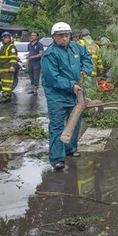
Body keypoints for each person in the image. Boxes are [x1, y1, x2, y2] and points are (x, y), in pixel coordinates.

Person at [40, 22, 93, 171]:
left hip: (75, 93)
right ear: (54, 37)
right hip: (57, 95)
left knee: (75, 121)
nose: (64, 38)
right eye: (61, 36)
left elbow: (87, 57)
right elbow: (53, 78)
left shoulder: (75, 47)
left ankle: (70, 148)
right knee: (57, 125)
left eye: (67, 35)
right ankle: (57, 158)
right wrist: (71, 85)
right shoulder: (50, 54)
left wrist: (85, 69)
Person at [0, 32, 18, 103]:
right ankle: (7, 97)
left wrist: (12, 66)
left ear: (10, 39)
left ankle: (6, 97)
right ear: (2, 39)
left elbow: (13, 57)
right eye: (5, 38)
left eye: (8, 38)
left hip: (8, 68)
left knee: (7, 84)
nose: (6, 39)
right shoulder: (3, 47)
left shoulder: (11, 46)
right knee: (4, 83)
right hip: (3, 68)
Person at [26, 31, 44, 96]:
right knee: (31, 76)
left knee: (36, 76)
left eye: (34, 35)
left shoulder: (39, 45)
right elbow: (29, 54)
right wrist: (27, 63)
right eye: (31, 35)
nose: (32, 36)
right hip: (30, 63)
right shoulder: (29, 45)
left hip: (37, 63)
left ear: (37, 37)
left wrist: (32, 57)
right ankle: (33, 89)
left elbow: (41, 54)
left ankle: (35, 91)